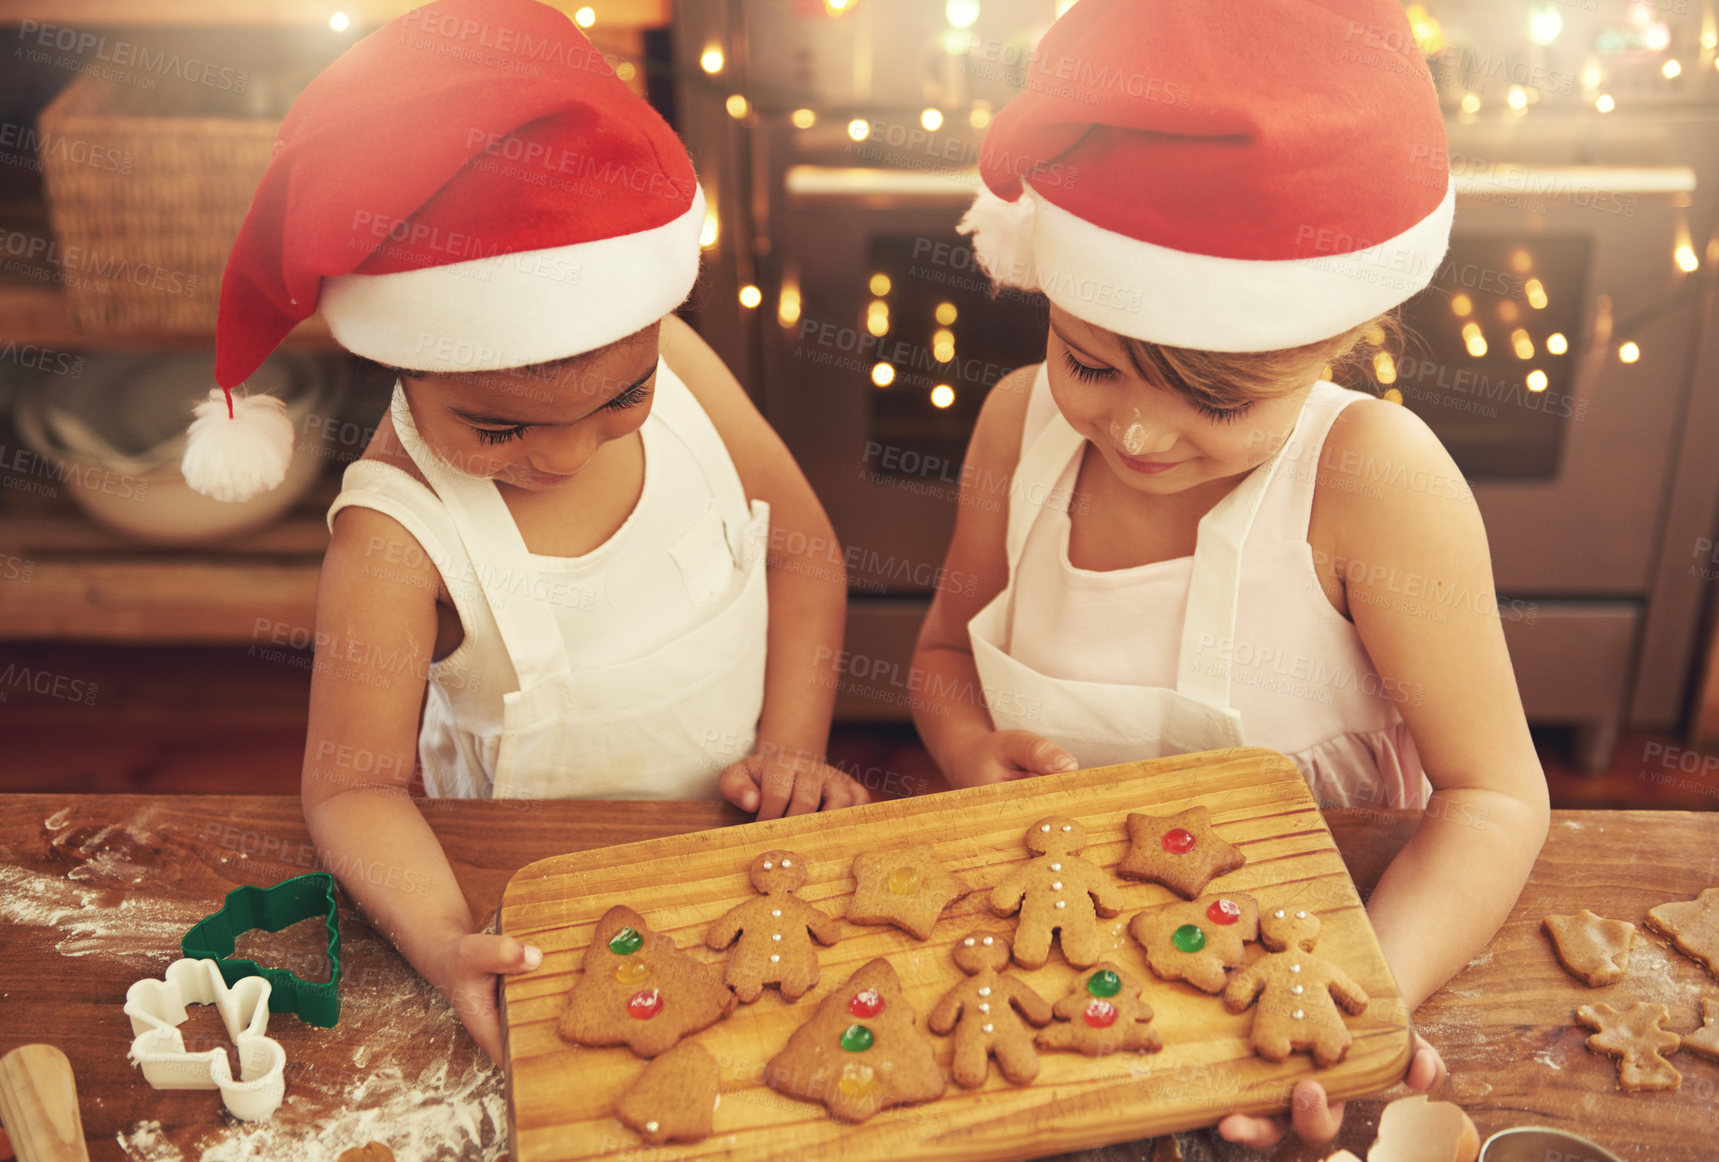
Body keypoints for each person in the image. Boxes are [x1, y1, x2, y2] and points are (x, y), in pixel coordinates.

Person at [909, 0, 1549, 1146]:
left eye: (1215, 398)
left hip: (1303, 978)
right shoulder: (1017, 424)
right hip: (1055, 1011)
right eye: (1090, 365)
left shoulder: (1372, 480)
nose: (1141, 437)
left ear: (1334, 345)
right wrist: (967, 750)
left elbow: (1497, 796)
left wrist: (1363, 999)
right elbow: (946, 654)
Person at [208, 0, 868, 1065]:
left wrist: (790, 748)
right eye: (497, 425)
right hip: (539, 903)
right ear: (405, 361)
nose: (564, 456)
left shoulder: (684, 369)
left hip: (734, 860)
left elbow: (804, 553)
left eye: (620, 400)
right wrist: (441, 936)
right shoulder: (395, 536)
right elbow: (351, 786)